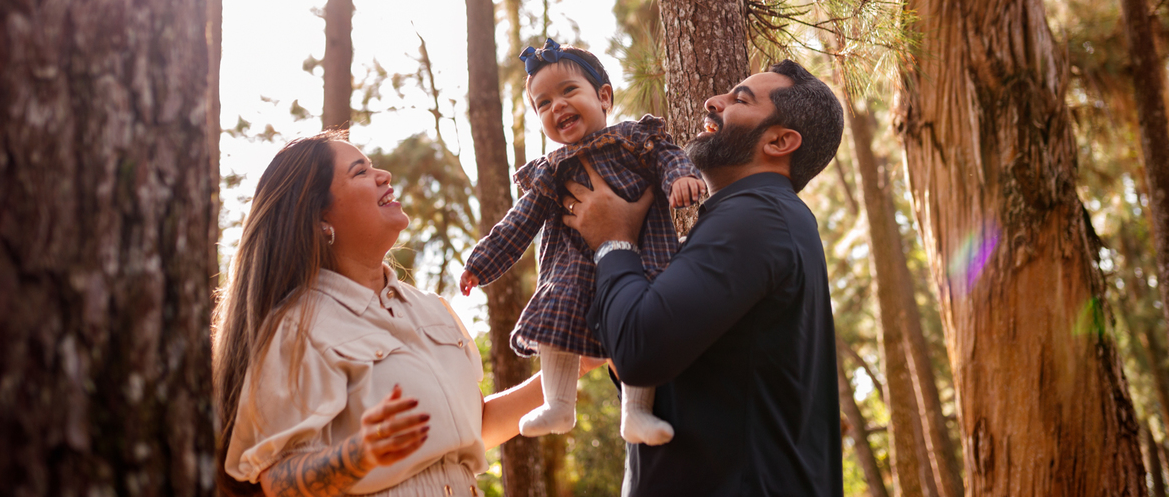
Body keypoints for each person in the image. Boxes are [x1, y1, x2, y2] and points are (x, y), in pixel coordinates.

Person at [213, 130, 590, 497]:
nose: (383, 175)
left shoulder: (431, 309)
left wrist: (582, 359)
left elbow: (477, 425)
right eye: (360, 172)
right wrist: (357, 456)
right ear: (320, 219)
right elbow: (276, 481)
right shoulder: (296, 329)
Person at [564, 61, 846, 497]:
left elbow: (640, 349)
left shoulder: (757, 217)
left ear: (779, 141)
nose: (713, 101)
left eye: (740, 100)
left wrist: (613, 241)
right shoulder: (760, 221)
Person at [459, 39, 706, 445]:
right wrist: (480, 263)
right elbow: (518, 222)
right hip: (571, 267)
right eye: (543, 103)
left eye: (568, 91)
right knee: (556, 308)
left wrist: (680, 177)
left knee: (639, 324)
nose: (556, 106)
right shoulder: (551, 171)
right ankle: (558, 404)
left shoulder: (632, 138)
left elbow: (668, 156)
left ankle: (637, 410)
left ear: (604, 96)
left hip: (642, 256)